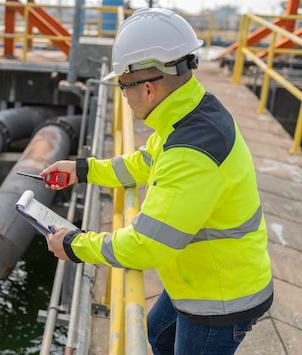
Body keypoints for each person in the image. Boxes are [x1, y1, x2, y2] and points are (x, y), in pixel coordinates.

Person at [40, 7, 273, 355]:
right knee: (155, 335)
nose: (123, 96)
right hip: (201, 276)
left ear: (147, 89)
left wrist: (75, 245)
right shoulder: (190, 111)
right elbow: (143, 163)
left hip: (219, 301)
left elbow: (146, 245)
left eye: (122, 87)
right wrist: (82, 170)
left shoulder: (191, 152)